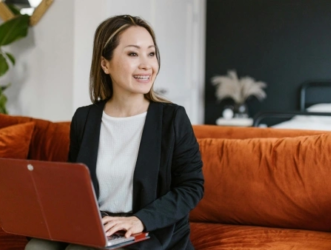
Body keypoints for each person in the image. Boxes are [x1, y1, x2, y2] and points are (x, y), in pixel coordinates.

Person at [25, 14, 204, 250]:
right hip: (96, 224)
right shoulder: (84, 118)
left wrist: (140, 220)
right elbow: (76, 185)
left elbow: (192, 187)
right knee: (36, 247)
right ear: (105, 64)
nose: (146, 64)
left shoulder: (172, 118)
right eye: (133, 53)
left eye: (151, 53)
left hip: (147, 231)